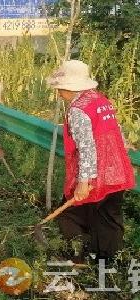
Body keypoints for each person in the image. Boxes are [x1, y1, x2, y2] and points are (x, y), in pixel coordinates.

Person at [47, 60, 136, 264]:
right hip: (117, 170)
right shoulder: (101, 100)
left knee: (69, 216)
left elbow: (87, 147)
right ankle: (106, 264)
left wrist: (83, 181)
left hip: (97, 174)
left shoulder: (78, 110)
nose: (59, 92)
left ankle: (79, 257)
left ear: (69, 87)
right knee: (108, 219)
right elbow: (114, 129)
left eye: (60, 88)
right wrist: (123, 144)